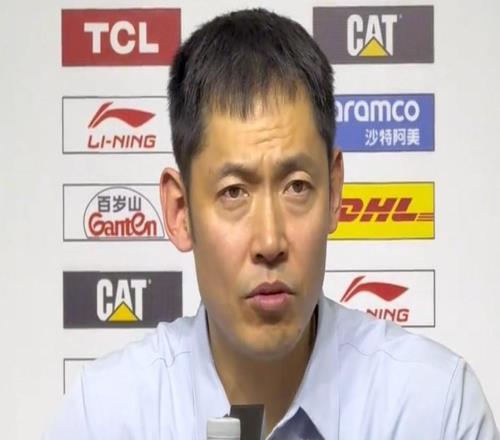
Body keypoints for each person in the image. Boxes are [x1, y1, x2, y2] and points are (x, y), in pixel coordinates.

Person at [44, 8, 499, 439]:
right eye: (233, 192)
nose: (269, 241)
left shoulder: (436, 408)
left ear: (334, 192)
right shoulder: (106, 417)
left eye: (297, 187)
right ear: (181, 212)